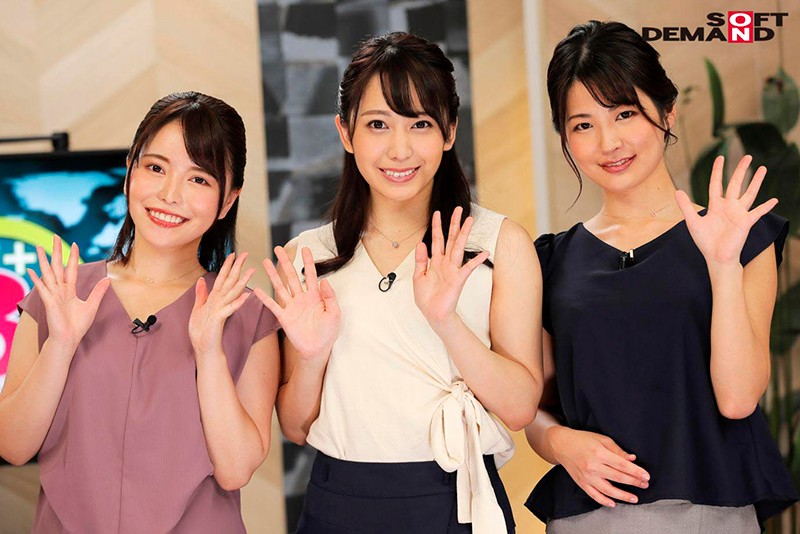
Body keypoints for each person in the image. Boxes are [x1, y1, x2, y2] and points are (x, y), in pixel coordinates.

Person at [254, 32, 542, 533]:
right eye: (378, 124)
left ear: (449, 130)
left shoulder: (499, 243)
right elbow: (297, 427)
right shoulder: (311, 255)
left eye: (421, 124)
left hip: (456, 502)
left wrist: (446, 321)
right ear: (346, 133)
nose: (400, 149)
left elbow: (519, 409)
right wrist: (313, 355)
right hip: (338, 505)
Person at [524, 20, 798, 533]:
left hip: (710, 514)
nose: (608, 142)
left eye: (625, 113)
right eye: (582, 125)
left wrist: (722, 265)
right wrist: (559, 443)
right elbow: (532, 405)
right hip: (591, 515)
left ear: (666, 112)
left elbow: (738, 399)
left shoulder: (740, 237)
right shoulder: (550, 261)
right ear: (565, 137)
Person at [0, 91, 280, 533]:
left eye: (199, 179)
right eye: (155, 168)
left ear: (228, 200)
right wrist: (61, 344)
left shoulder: (249, 315)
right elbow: (13, 446)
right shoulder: (59, 294)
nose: (170, 195)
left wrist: (209, 352)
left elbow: (235, 470)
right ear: (130, 171)